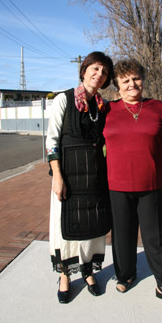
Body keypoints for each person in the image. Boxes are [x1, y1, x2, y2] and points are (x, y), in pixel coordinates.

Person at [103, 58, 162, 312]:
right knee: (122, 235)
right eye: (125, 81)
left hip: (152, 184)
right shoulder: (106, 110)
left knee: (156, 236)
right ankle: (125, 274)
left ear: (143, 80)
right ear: (117, 85)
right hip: (116, 184)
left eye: (136, 78)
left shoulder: (158, 107)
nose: (132, 84)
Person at [46, 51, 113, 303]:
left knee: (92, 224)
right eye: (95, 68)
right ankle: (64, 275)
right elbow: (52, 140)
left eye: (104, 72)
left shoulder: (103, 106)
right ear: (84, 70)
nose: (99, 74)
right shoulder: (63, 99)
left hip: (94, 175)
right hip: (67, 175)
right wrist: (57, 176)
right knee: (64, 226)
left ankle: (87, 271)